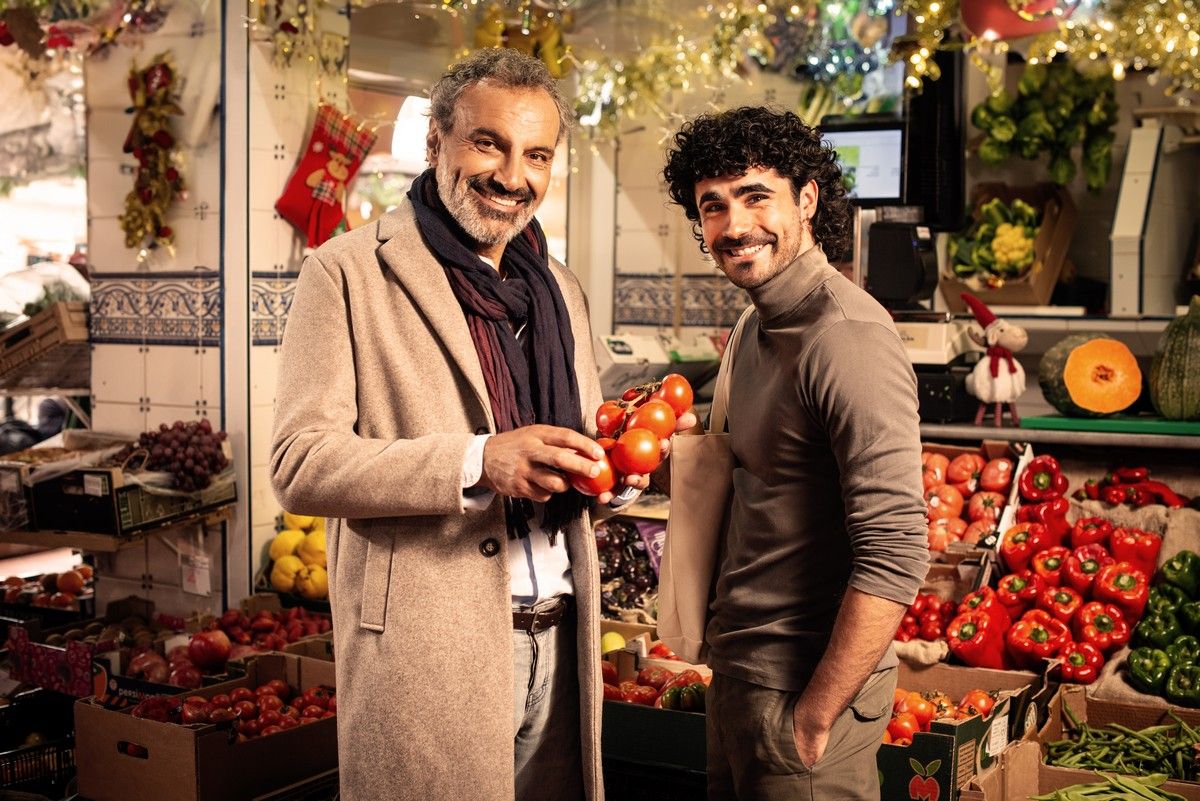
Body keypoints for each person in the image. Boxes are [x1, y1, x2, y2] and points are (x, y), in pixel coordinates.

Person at [271, 49, 690, 801]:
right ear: (437, 144)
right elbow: (300, 461)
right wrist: (476, 461)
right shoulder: (346, 273)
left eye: (536, 155)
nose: (511, 175)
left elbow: (581, 452)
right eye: (487, 142)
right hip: (430, 648)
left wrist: (615, 476)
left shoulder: (557, 287)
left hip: (561, 641)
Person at [661, 106, 930, 800]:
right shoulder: (755, 324)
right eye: (713, 206)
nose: (734, 224)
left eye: (756, 196)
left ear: (806, 199)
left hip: (806, 691)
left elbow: (897, 549)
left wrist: (814, 715)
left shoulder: (848, 338)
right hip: (742, 676)